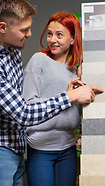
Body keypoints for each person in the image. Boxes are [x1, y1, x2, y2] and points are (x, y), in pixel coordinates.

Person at [0, 0, 103, 186]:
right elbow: (23, 112)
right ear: (3, 27)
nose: (30, 34)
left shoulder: (12, 51)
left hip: (15, 146)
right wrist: (69, 96)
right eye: (24, 29)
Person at [22, 12, 84, 186]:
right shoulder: (39, 60)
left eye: (59, 35)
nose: (52, 40)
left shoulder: (75, 70)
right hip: (40, 149)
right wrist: (65, 96)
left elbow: (78, 113)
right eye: (50, 34)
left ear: (73, 39)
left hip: (68, 150)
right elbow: (28, 106)